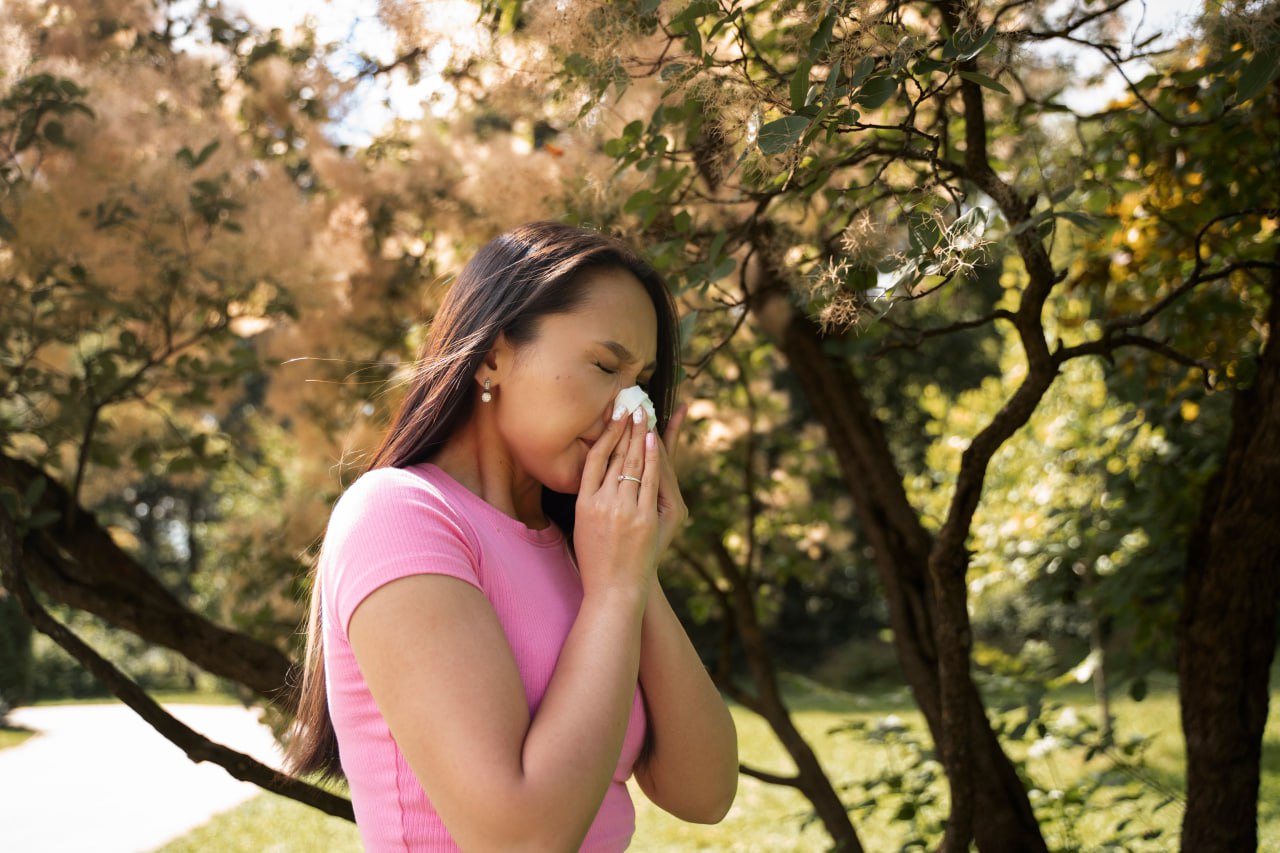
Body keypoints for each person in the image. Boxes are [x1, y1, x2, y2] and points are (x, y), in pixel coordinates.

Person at [286, 221, 739, 851]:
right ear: (495, 353)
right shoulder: (400, 515)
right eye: (606, 364)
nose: (630, 408)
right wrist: (611, 592)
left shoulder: (585, 551)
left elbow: (704, 792)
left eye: (641, 382)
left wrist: (636, 574)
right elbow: (519, 839)